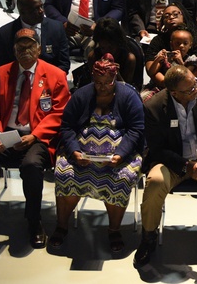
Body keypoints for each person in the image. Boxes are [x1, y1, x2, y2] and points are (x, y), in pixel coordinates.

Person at [0, 28, 70, 247]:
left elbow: (59, 112)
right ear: (14, 50)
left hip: (37, 136)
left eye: (30, 46)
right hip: (5, 133)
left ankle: (33, 219)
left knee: (31, 165)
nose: (25, 51)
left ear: (39, 49)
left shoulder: (55, 75)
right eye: (20, 47)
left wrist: (35, 136)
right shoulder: (0, 74)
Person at [132, 64, 197, 266]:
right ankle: (148, 238)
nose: (196, 89)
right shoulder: (153, 106)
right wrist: (186, 166)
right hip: (172, 161)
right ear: (174, 92)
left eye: (195, 83)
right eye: (189, 89)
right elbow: (157, 149)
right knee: (155, 182)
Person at [50, 56, 144, 254]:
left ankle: (114, 229)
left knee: (122, 178)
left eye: (107, 83)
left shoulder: (128, 95)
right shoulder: (82, 94)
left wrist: (120, 154)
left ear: (115, 79)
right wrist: (75, 151)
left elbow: (136, 130)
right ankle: (62, 225)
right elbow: (66, 127)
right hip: (81, 149)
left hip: (119, 152)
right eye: (98, 83)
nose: (102, 88)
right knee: (64, 173)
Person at [0, 0, 70, 72]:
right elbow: (0, 68)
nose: (41, 11)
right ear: (22, 12)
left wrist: (48, 79)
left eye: (41, 6)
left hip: (50, 80)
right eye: (36, 8)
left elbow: (64, 63)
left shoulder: (56, 28)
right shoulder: (5, 34)